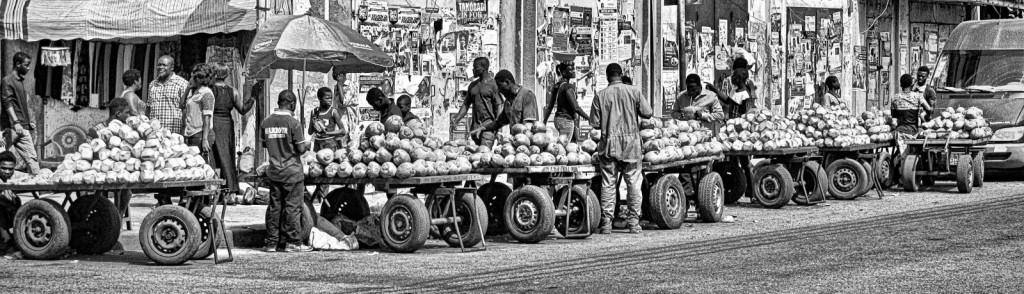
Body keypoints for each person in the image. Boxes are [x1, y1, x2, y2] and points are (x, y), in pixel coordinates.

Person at [590, 63, 653, 234]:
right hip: (631, 145)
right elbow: (647, 113)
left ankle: (606, 223)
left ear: (607, 76)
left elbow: (595, 123)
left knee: (608, 183)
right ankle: (633, 222)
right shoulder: (633, 91)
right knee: (633, 183)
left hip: (609, 144)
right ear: (621, 74)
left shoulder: (600, 95)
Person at [261, 90, 313, 253]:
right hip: (292, 172)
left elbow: (265, 145)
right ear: (292, 104)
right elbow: (300, 148)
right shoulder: (294, 123)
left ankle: (271, 243)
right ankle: (292, 242)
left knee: (274, 207)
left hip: (275, 171)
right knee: (292, 207)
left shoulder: (266, 122)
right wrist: (307, 145)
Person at [210, 63, 257, 201]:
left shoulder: (208, 91)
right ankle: (230, 191)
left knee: (212, 158)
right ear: (226, 75)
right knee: (227, 158)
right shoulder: (233, 91)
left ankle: (213, 190)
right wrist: (253, 97)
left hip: (213, 124)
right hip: (226, 125)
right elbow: (243, 109)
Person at [1, 52, 39, 174]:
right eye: (26, 65)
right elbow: (8, 103)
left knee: (32, 160)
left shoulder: (19, 81)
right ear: (18, 64)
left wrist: (28, 122)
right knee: (4, 160)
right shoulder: (7, 80)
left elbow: (20, 105)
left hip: (22, 128)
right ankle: (5, 191)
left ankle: (38, 188)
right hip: (11, 128)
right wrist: (16, 122)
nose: (28, 68)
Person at [468, 70, 539, 136]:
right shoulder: (507, 102)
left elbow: (528, 124)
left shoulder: (527, 95)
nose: (499, 90)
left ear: (507, 82)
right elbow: (498, 122)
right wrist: (483, 128)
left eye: (500, 86)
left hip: (527, 142)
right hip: (515, 141)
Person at [453, 57, 502, 147]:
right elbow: (466, 105)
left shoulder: (494, 85)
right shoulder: (472, 86)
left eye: (475, 67)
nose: (473, 70)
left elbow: (499, 106)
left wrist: (499, 130)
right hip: (474, 129)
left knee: (483, 154)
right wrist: (456, 120)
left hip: (488, 129)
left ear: (483, 69)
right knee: (474, 157)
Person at [543, 63, 591, 142]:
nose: (573, 71)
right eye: (571, 70)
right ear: (564, 73)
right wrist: (588, 118)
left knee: (564, 144)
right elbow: (576, 107)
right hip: (566, 121)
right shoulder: (567, 87)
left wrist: (545, 121)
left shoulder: (557, 85)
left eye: (573, 69)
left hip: (557, 119)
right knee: (563, 147)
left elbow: (550, 106)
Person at [148, 55, 190, 134]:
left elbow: (186, 109)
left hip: (174, 132)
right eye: (159, 65)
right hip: (155, 133)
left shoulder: (182, 84)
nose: (161, 67)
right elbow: (149, 107)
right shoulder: (153, 84)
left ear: (172, 67)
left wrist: (184, 129)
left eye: (164, 65)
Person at [182, 63, 215, 157]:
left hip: (200, 134)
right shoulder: (195, 93)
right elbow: (182, 105)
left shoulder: (206, 93)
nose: (191, 79)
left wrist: (205, 139)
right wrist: (187, 88)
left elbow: (207, 118)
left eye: (193, 77)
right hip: (191, 133)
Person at [0, 151, 24, 253]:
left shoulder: (13, 175)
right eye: (3, 168)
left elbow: (30, 175)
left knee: (16, 200)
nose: (7, 172)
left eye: (10, 169)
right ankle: (6, 239)